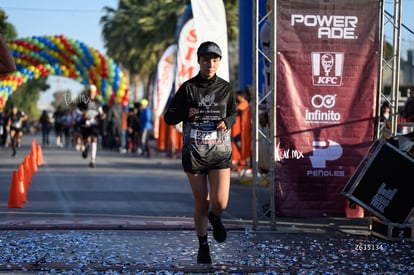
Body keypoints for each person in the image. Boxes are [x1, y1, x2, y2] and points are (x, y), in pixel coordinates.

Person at [164, 41, 238, 264]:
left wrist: (227, 121)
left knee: (220, 203)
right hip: (194, 153)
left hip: (220, 152)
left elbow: (234, 113)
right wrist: (186, 111)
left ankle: (216, 218)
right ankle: (203, 245)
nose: (210, 64)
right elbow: (169, 117)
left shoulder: (226, 88)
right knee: (201, 202)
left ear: (219, 62)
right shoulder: (188, 88)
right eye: (206, 60)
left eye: (214, 60)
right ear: (199, 61)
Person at [76, 84, 105, 167]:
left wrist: (102, 115)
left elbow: (100, 111)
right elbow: (77, 110)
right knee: (87, 140)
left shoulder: (97, 102)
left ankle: (93, 160)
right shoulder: (83, 100)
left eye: (93, 92)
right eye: (90, 92)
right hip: (85, 123)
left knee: (94, 139)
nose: (92, 93)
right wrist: (82, 114)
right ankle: (85, 149)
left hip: (94, 123)